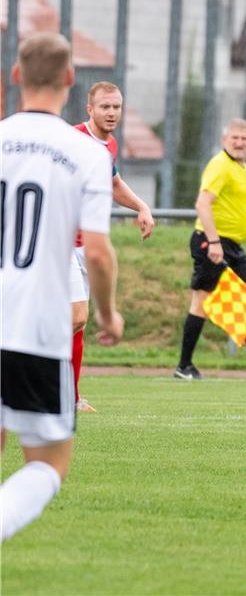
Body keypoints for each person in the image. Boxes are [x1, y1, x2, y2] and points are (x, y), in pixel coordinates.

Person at [1, 33, 124, 542]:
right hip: (37, 326)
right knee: (49, 464)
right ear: (71, 81)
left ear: (16, 76)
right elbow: (95, 250)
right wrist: (107, 314)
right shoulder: (84, 152)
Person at [175, 118, 246, 380]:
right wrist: (214, 243)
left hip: (232, 245)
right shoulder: (220, 165)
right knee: (201, 302)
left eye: (244, 139)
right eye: (234, 138)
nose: (239, 143)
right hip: (212, 241)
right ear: (224, 140)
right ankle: (184, 366)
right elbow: (202, 204)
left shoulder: (241, 165)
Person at [68, 81, 155, 413]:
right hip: (59, 242)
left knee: (78, 323)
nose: (111, 112)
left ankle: (69, 396)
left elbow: (114, 183)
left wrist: (142, 208)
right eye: (104, 106)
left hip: (82, 245)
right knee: (76, 315)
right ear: (90, 109)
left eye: (116, 106)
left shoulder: (110, 145)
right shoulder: (75, 140)